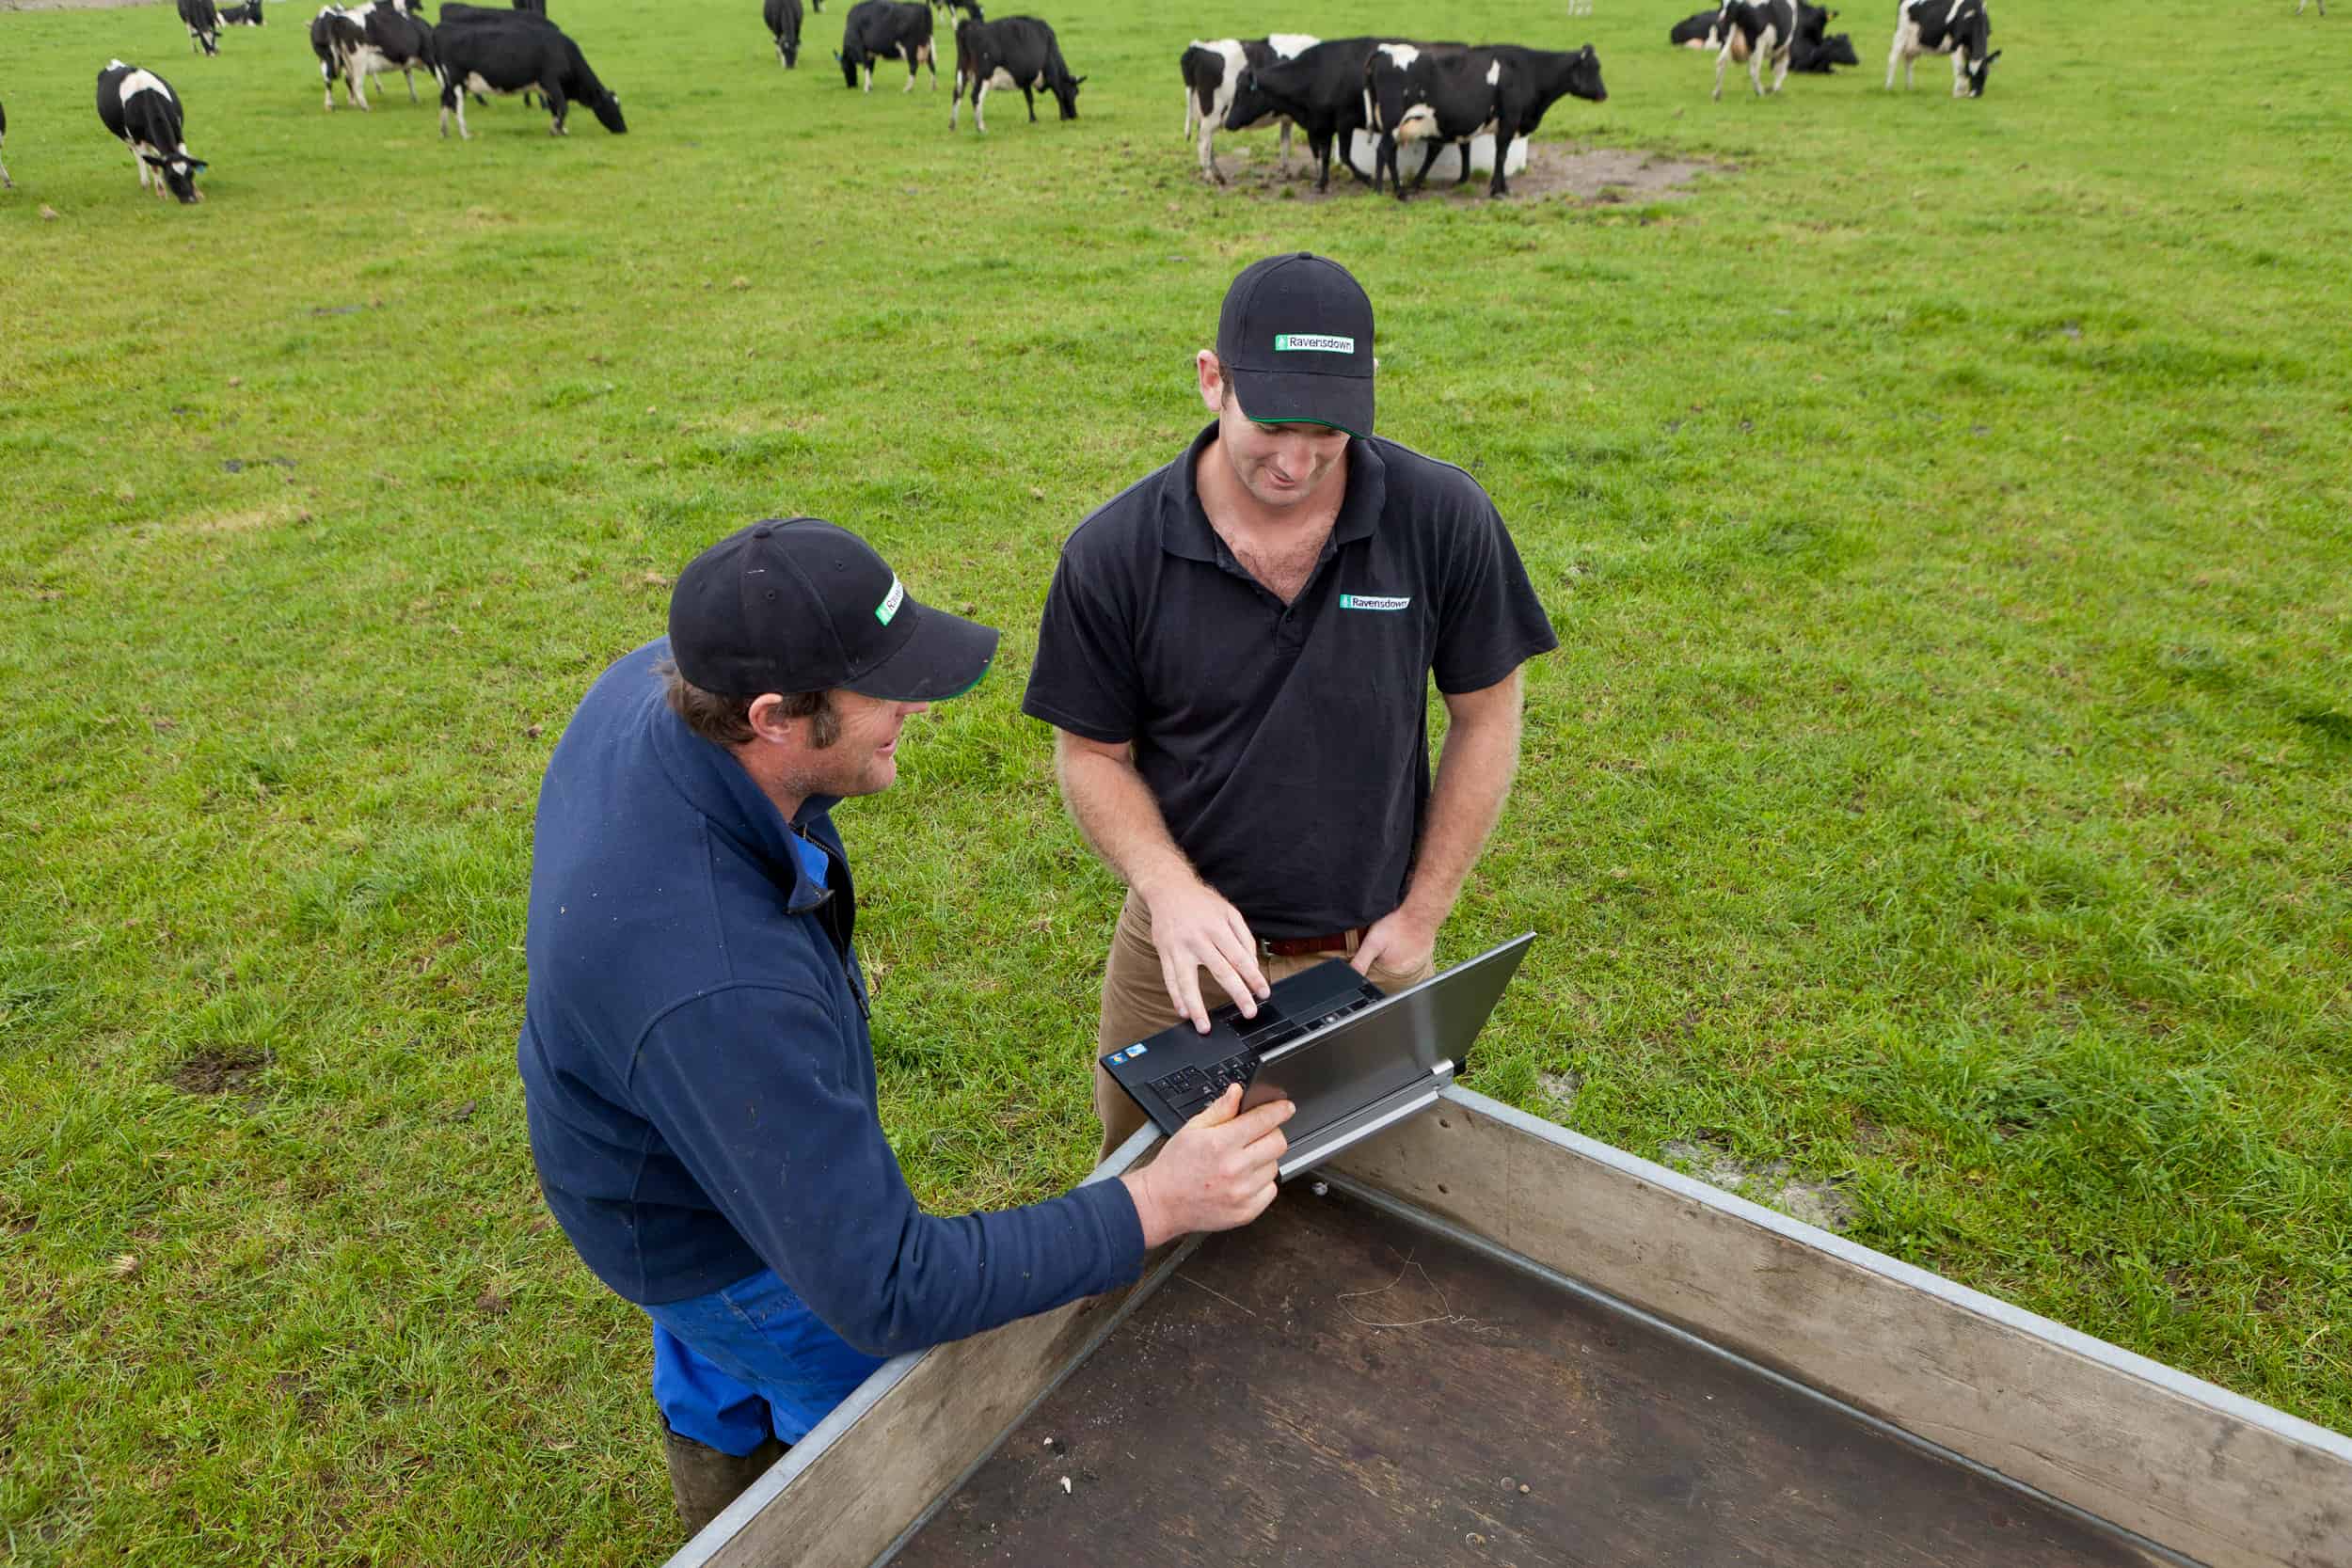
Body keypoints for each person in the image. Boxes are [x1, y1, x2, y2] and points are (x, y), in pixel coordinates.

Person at [516, 518, 1295, 1537]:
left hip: (635, 1142)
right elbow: (887, 1288)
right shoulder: (720, 985)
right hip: (717, 1240)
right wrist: (1156, 1201)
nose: (915, 704)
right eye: (880, 688)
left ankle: (717, 1464)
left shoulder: (654, 688)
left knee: (712, 1342)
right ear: (773, 717)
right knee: (881, 1445)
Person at [1022, 252, 1559, 1164]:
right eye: (1271, 423)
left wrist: (1425, 911)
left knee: (1360, 1189)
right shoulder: (1112, 554)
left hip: (1364, 953)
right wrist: (1168, 888)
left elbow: (1486, 713)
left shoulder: (1442, 518)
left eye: (1329, 428)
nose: (1297, 460)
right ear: (1210, 380)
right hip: (1177, 958)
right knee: (1145, 1181)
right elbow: (1091, 756)